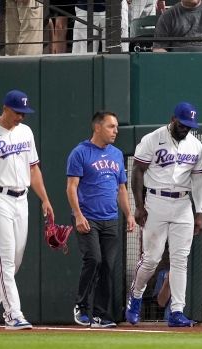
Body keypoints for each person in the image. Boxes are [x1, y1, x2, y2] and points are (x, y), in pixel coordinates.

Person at [0, 90, 54, 330]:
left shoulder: (26, 132)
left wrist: (44, 199)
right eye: (17, 112)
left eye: (24, 113)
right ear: (5, 108)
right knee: (5, 260)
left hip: (22, 199)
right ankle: (13, 314)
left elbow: (34, 169)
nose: (21, 117)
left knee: (15, 261)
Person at [125, 102, 202, 328]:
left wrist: (199, 212)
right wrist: (140, 205)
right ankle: (136, 295)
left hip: (183, 204)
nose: (186, 129)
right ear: (173, 119)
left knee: (180, 260)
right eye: (183, 124)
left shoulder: (196, 146)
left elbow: (199, 180)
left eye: (190, 126)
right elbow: (137, 171)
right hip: (156, 201)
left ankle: (177, 312)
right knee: (151, 259)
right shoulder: (152, 139)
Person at [66, 110, 136, 328]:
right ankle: (81, 306)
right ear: (97, 127)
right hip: (88, 218)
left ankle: (99, 315)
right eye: (111, 126)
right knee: (94, 259)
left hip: (110, 219)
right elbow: (71, 187)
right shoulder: (80, 153)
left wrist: (129, 214)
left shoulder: (116, 154)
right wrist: (77, 215)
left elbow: (122, 189)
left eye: (116, 127)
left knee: (107, 266)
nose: (116, 131)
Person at [152, 248, 202, 320]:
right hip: (170, 319)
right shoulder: (163, 273)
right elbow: (161, 303)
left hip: (196, 320)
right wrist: (167, 282)